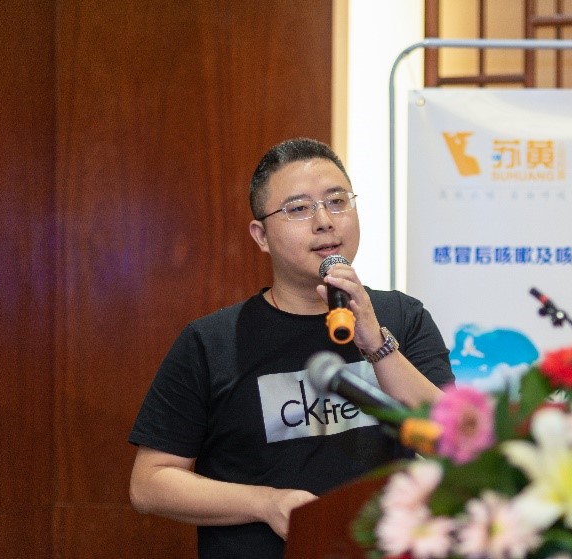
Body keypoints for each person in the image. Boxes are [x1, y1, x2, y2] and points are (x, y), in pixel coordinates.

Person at [128, 138, 454, 558]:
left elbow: (451, 443)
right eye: (299, 209)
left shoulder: (403, 318)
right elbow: (150, 483)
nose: (325, 221)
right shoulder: (211, 343)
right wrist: (267, 503)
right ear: (261, 235)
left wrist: (376, 344)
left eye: (337, 201)